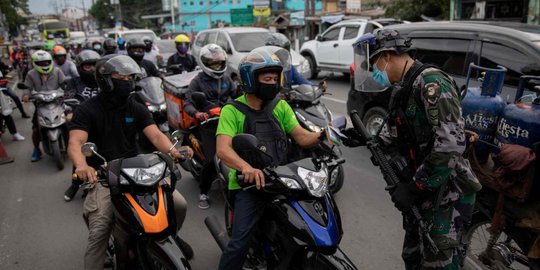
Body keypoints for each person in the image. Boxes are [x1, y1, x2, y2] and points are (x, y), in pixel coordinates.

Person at [353, 29, 481, 269]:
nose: (373, 72)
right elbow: (400, 139)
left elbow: (450, 144)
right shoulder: (403, 88)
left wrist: (415, 187)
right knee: (413, 257)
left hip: (446, 193)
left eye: (374, 65)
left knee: (437, 262)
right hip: (423, 195)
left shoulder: (432, 83)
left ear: (387, 56)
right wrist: (366, 140)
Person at [67, 55, 194, 269]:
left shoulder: (134, 106)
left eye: (130, 77)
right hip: (105, 175)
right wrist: (82, 165)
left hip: (137, 170)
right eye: (121, 77)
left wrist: (175, 151)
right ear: (105, 79)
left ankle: (170, 235)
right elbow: (75, 142)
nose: (127, 81)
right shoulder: (88, 109)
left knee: (179, 204)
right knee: (100, 229)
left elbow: (155, 136)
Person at [216, 46, 324, 270]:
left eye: (275, 78)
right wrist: (247, 168)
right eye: (267, 78)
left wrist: (324, 136)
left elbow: (302, 138)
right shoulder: (232, 110)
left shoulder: (280, 106)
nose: (273, 83)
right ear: (250, 80)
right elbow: (223, 150)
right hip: (249, 185)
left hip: (281, 179)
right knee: (239, 244)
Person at [184, 43, 237, 209]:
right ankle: (204, 192)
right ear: (204, 63)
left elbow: (237, 96)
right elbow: (188, 103)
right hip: (209, 125)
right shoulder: (197, 82)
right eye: (213, 64)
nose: (217, 66)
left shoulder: (227, 79)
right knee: (210, 160)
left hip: (229, 122)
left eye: (219, 63)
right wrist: (198, 114)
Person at [62, 50, 102, 202]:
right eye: (88, 66)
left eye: (95, 65)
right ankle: (75, 183)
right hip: (81, 124)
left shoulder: (104, 80)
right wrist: (69, 112)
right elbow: (67, 100)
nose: (92, 69)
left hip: (103, 122)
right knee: (79, 152)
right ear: (80, 67)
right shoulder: (73, 83)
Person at [21, 50, 65, 162]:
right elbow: (27, 87)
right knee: (36, 129)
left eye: (46, 62)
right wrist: (26, 95)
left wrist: (67, 91)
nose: (44, 65)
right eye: (41, 63)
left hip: (58, 103)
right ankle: (36, 149)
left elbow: (64, 84)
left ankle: (74, 144)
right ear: (34, 63)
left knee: (70, 122)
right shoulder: (31, 74)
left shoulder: (57, 71)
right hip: (41, 105)